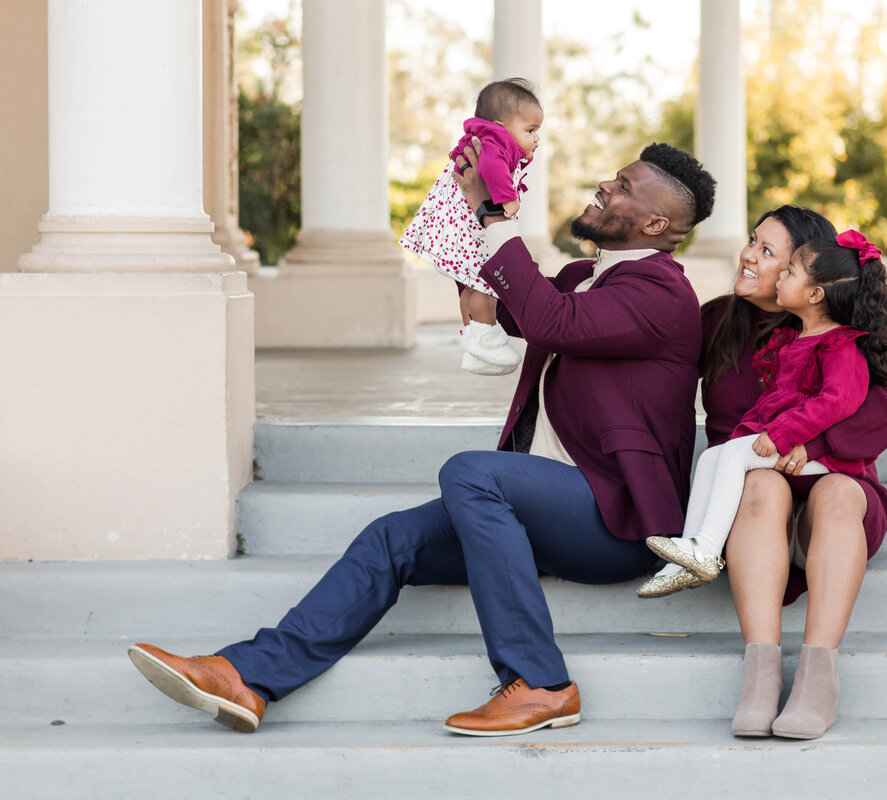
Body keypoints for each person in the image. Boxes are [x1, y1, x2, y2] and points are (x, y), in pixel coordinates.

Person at [127, 141, 717, 737]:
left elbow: (545, 320)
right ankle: (248, 677)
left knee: (472, 471)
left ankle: (541, 682)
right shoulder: (580, 278)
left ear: (656, 223)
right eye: (612, 179)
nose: (604, 188)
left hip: (613, 521)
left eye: (622, 186)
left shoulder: (661, 293)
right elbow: (509, 302)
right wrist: (466, 204)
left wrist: (498, 221)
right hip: (549, 509)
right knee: (393, 538)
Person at [680, 207, 887, 740]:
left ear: (812, 279)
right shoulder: (718, 319)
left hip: (828, 503)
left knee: (837, 491)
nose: (748, 256)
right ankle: (761, 678)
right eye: (751, 241)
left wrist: (813, 441)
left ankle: (817, 680)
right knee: (761, 484)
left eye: (769, 253)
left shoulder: (839, 335)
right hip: (753, 503)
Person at [637, 227, 887, 599]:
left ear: (815, 291)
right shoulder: (789, 336)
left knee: (729, 454)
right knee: (713, 455)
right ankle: (686, 555)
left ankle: (707, 550)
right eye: (751, 241)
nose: (749, 255)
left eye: (779, 260)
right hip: (780, 460)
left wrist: (787, 435)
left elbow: (836, 401)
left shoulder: (841, 344)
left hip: (820, 462)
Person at [400, 78, 543, 375]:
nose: (536, 138)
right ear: (502, 126)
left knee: (470, 283)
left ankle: (475, 340)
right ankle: (484, 336)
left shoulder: (485, 138)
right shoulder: (496, 142)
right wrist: (507, 199)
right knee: (486, 282)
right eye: (530, 131)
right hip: (470, 229)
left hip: (455, 227)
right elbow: (491, 168)